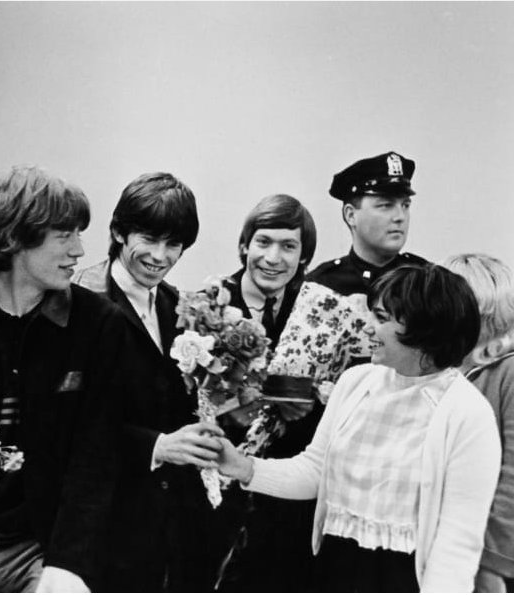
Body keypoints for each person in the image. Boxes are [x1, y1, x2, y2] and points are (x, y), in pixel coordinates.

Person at [212, 264, 502, 592]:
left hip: (406, 578)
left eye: (381, 318)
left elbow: (458, 541)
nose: (366, 326)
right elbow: (314, 471)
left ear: (423, 329)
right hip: (333, 566)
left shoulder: (467, 413)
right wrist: (242, 467)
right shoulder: (356, 381)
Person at [0, 165, 131, 593]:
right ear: (16, 237)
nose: (79, 250)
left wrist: (68, 564)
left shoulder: (99, 325)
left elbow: (99, 456)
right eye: (64, 235)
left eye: (78, 234)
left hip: (46, 555)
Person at [73, 172, 225, 591]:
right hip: (103, 530)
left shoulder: (178, 306)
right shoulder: (79, 301)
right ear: (119, 232)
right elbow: (70, 423)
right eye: (150, 239)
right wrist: (155, 446)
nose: (160, 256)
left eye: (173, 244)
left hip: (171, 530)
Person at [214, 194, 320, 592]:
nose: (273, 258)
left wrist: (308, 403)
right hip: (221, 488)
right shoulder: (211, 305)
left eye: (288, 246)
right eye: (264, 242)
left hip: (289, 497)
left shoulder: (314, 310)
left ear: (303, 257)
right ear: (245, 245)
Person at [306, 151, 428, 367]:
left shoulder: (426, 281)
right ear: (351, 215)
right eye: (385, 205)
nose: (400, 217)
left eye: (405, 205)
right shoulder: (322, 285)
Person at [442, 253, 513, 593]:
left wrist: (491, 561)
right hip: (441, 545)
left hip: (488, 557)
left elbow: (512, 477)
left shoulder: (509, 371)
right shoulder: (440, 368)